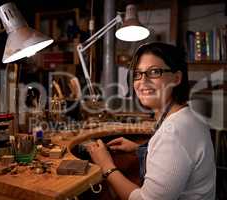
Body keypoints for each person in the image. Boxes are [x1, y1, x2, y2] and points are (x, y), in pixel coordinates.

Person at [86, 42, 216, 200]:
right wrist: (139, 149)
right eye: (137, 74)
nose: (142, 81)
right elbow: (176, 158)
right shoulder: (187, 116)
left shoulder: (173, 134)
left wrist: (106, 165)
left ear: (177, 78)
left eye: (154, 72)